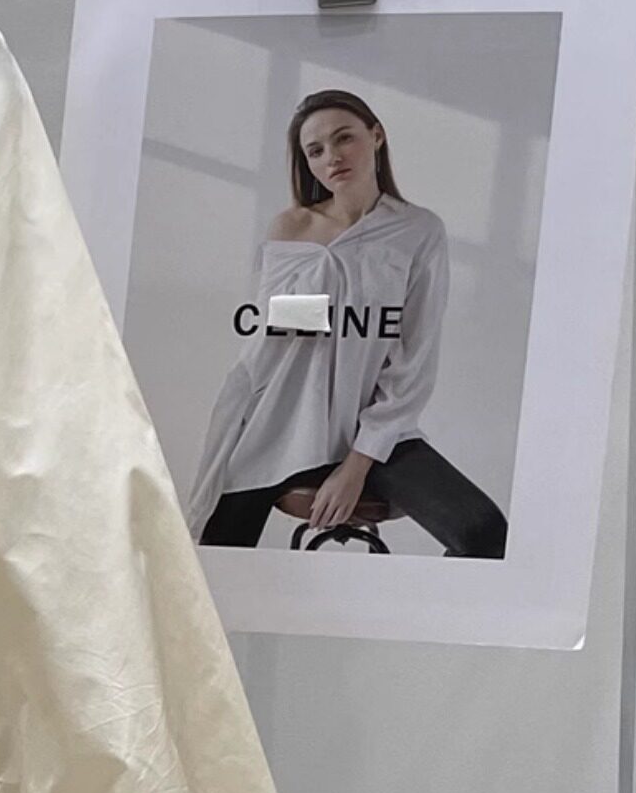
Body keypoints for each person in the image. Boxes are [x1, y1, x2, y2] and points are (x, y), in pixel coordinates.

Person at [184, 87, 507, 556]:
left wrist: (355, 467)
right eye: (315, 150)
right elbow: (275, 336)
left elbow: (413, 357)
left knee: (484, 532)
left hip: (376, 430)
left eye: (344, 138)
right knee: (216, 556)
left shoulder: (418, 231)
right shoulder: (291, 227)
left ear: (376, 136)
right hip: (282, 419)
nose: (332, 157)